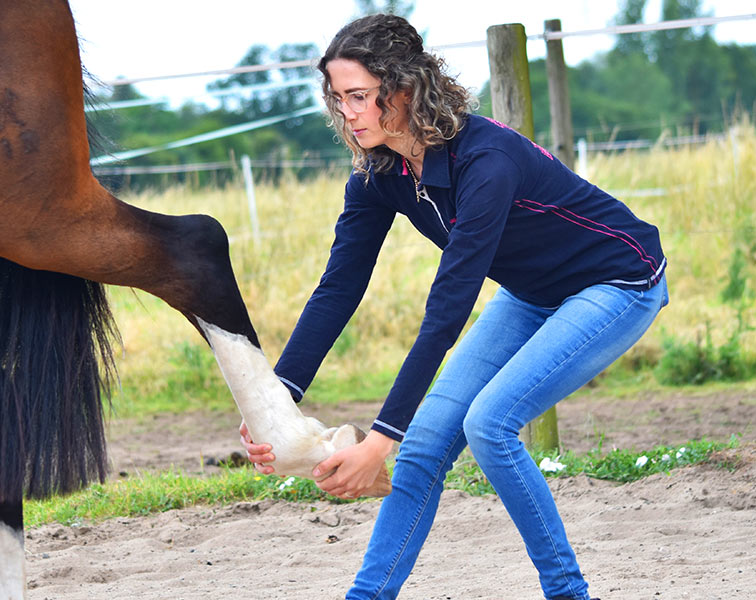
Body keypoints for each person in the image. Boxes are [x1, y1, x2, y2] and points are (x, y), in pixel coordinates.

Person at [239, 13, 667, 600]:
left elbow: (447, 311)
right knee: (424, 446)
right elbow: (339, 288)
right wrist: (275, 403)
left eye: (360, 96)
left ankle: (568, 593)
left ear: (406, 90)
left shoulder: (485, 162)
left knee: (489, 425)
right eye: (338, 99)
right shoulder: (377, 174)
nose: (348, 113)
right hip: (533, 294)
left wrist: (378, 439)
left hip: (619, 282)